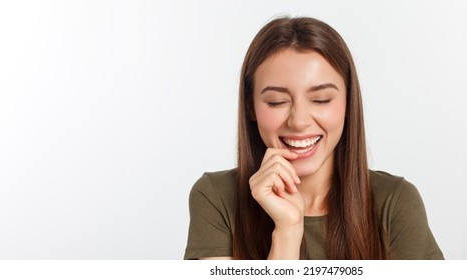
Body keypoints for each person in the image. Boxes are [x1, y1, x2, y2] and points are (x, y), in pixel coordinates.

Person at [184, 16, 443, 260]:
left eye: (321, 100)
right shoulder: (216, 197)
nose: (298, 121)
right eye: (277, 101)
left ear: (348, 103)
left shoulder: (394, 202)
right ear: (251, 106)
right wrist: (288, 230)